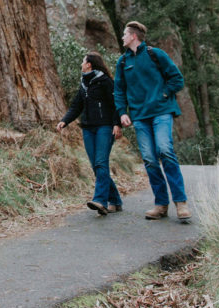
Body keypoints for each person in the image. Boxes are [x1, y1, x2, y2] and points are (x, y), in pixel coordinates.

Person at [113, 21, 191, 222]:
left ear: (133, 36)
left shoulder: (156, 54)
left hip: (161, 112)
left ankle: (181, 202)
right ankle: (161, 204)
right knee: (149, 159)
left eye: (124, 34)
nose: (122, 37)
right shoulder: (122, 62)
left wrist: (163, 94)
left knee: (165, 150)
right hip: (139, 117)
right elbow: (119, 90)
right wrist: (122, 113)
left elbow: (177, 79)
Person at [56, 52, 123, 216]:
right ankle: (115, 200)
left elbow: (116, 104)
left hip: (105, 127)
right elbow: (76, 106)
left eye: (83, 61)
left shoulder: (105, 82)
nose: (81, 64)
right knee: (96, 166)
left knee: (100, 163)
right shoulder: (84, 84)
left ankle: (100, 200)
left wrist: (117, 124)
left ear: (89, 64)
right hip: (88, 128)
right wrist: (65, 120)